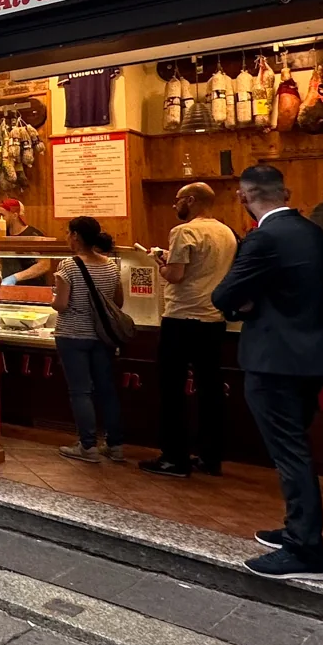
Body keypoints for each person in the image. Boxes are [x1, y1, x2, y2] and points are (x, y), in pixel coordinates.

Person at [212, 163, 323, 582]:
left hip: (274, 360)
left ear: (244, 197)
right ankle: (295, 530)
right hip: (313, 356)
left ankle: (306, 551)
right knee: (295, 445)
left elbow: (225, 294)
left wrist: (244, 305)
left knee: (290, 453)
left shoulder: (264, 238)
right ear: (283, 192)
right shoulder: (314, 234)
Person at [141, 182, 239, 477]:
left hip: (182, 318)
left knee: (172, 390)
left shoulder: (184, 232)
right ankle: (210, 457)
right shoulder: (226, 232)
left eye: (178, 200)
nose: (175, 206)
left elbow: (176, 275)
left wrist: (161, 264)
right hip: (213, 319)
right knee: (210, 389)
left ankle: (174, 457)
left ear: (191, 200)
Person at [51, 215, 128, 464]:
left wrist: (54, 298)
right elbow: (118, 302)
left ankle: (87, 446)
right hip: (102, 336)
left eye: (67, 232)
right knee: (107, 390)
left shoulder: (68, 266)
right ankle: (115, 445)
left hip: (72, 335)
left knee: (80, 391)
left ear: (75, 236)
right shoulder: (111, 266)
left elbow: (61, 305)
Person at [0, 199, 57, 287]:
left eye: (2, 215)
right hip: (6, 286)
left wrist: (15, 277)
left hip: (31, 286)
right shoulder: (2, 235)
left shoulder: (33, 235)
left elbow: (44, 265)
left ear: (14, 215)